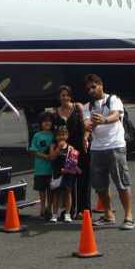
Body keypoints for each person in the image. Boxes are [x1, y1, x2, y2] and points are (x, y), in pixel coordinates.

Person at [83, 74, 135, 229]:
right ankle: (108, 214)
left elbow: (116, 115)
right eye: (88, 89)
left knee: (121, 182)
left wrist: (103, 120)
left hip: (115, 146)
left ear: (101, 85)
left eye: (94, 87)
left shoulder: (113, 99)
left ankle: (128, 216)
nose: (91, 90)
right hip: (97, 148)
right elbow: (86, 123)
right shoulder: (88, 107)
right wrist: (88, 128)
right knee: (100, 186)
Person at [51, 85, 89, 218]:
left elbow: (85, 125)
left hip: (79, 147)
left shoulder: (77, 107)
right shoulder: (55, 112)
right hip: (65, 150)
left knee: (83, 178)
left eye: (67, 95)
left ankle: (84, 209)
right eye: (62, 95)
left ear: (70, 96)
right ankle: (69, 210)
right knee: (69, 181)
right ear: (59, 97)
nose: (65, 97)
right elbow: (53, 132)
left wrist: (85, 138)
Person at [28, 112, 56, 220]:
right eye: (44, 121)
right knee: (42, 190)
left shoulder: (54, 135)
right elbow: (33, 150)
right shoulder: (37, 135)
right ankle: (42, 208)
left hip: (51, 169)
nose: (47, 123)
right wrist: (45, 156)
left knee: (51, 190)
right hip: (40, 169)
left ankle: (49, 208)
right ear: (41, 123)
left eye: (49, 121)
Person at [51, 125, 81, 223]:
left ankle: (67, 214)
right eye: (59, 135)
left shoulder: (70, 148)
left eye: (63, 135)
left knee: (68, 192)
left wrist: (75, 169)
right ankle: (54, 214)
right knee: (56, 193)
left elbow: (73, 161)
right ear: (56, 137)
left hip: (68, 174)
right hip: (57, 173)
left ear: (67, 136)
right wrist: (58, 149)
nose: (61, 137)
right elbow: (52, 157)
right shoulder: (53, 146)